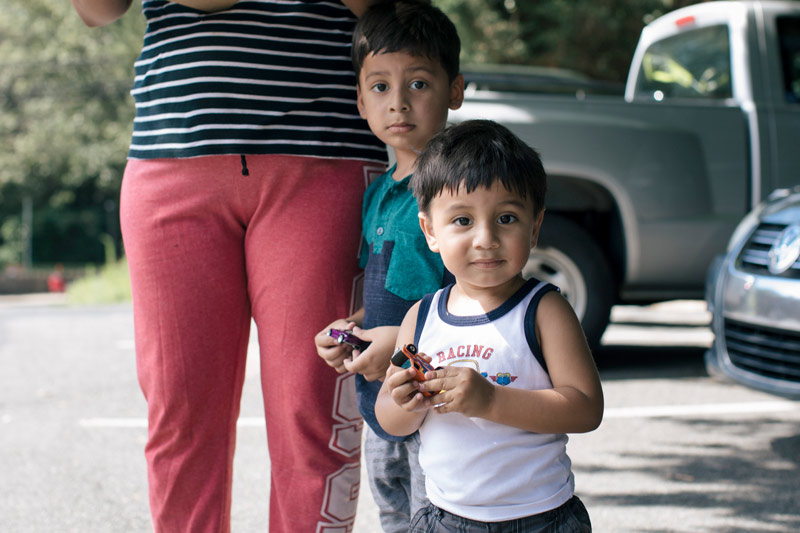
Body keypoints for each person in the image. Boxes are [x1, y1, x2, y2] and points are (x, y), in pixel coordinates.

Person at [70, 1, 387, 532]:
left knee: (313, 410)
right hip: (172, 154)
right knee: (180, 416)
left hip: (321, 153)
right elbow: (95, 9)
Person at [376, 119, 604, 532]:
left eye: (506, 218)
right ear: (430, 231)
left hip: (541, 518)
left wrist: (490, 401)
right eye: (462, 221)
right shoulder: (421, 316)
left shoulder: (544, 309)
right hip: (445, 518)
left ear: (534, 228)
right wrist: (402, 400)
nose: (485, 238)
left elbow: (586, 408)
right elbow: (390, 420)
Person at [314, 1, 464, 530]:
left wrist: (397, 344)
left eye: (418, 84)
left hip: (439, 402)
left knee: (441, 516)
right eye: (380, 87)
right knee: (394, 514)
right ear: (360, 100)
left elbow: (472, 297)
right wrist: (350, 329)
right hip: (381, 403)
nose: (398, 102)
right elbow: (383, 289)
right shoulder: (377, 194)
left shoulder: (458, 193)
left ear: (456, 90)